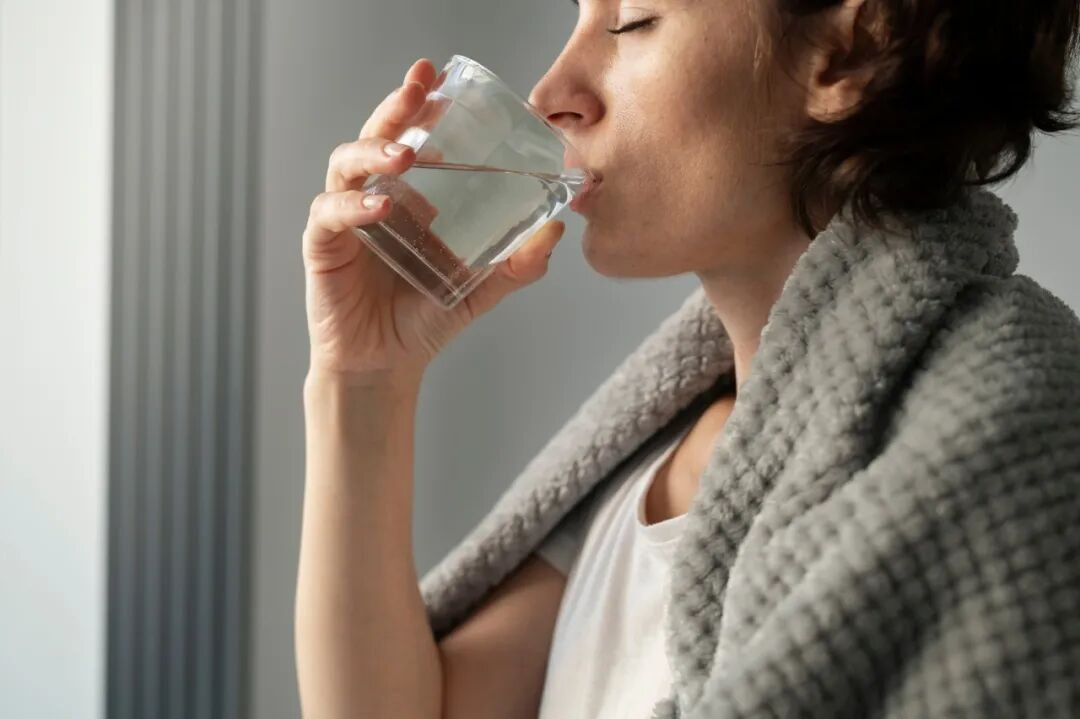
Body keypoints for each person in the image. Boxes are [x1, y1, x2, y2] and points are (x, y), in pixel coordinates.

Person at [294, 0, 1080, 716]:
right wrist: (362, 379)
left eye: (632, 21)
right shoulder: (653, 469)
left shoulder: (1006, 437)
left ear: (849, 56)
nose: (550, 94)